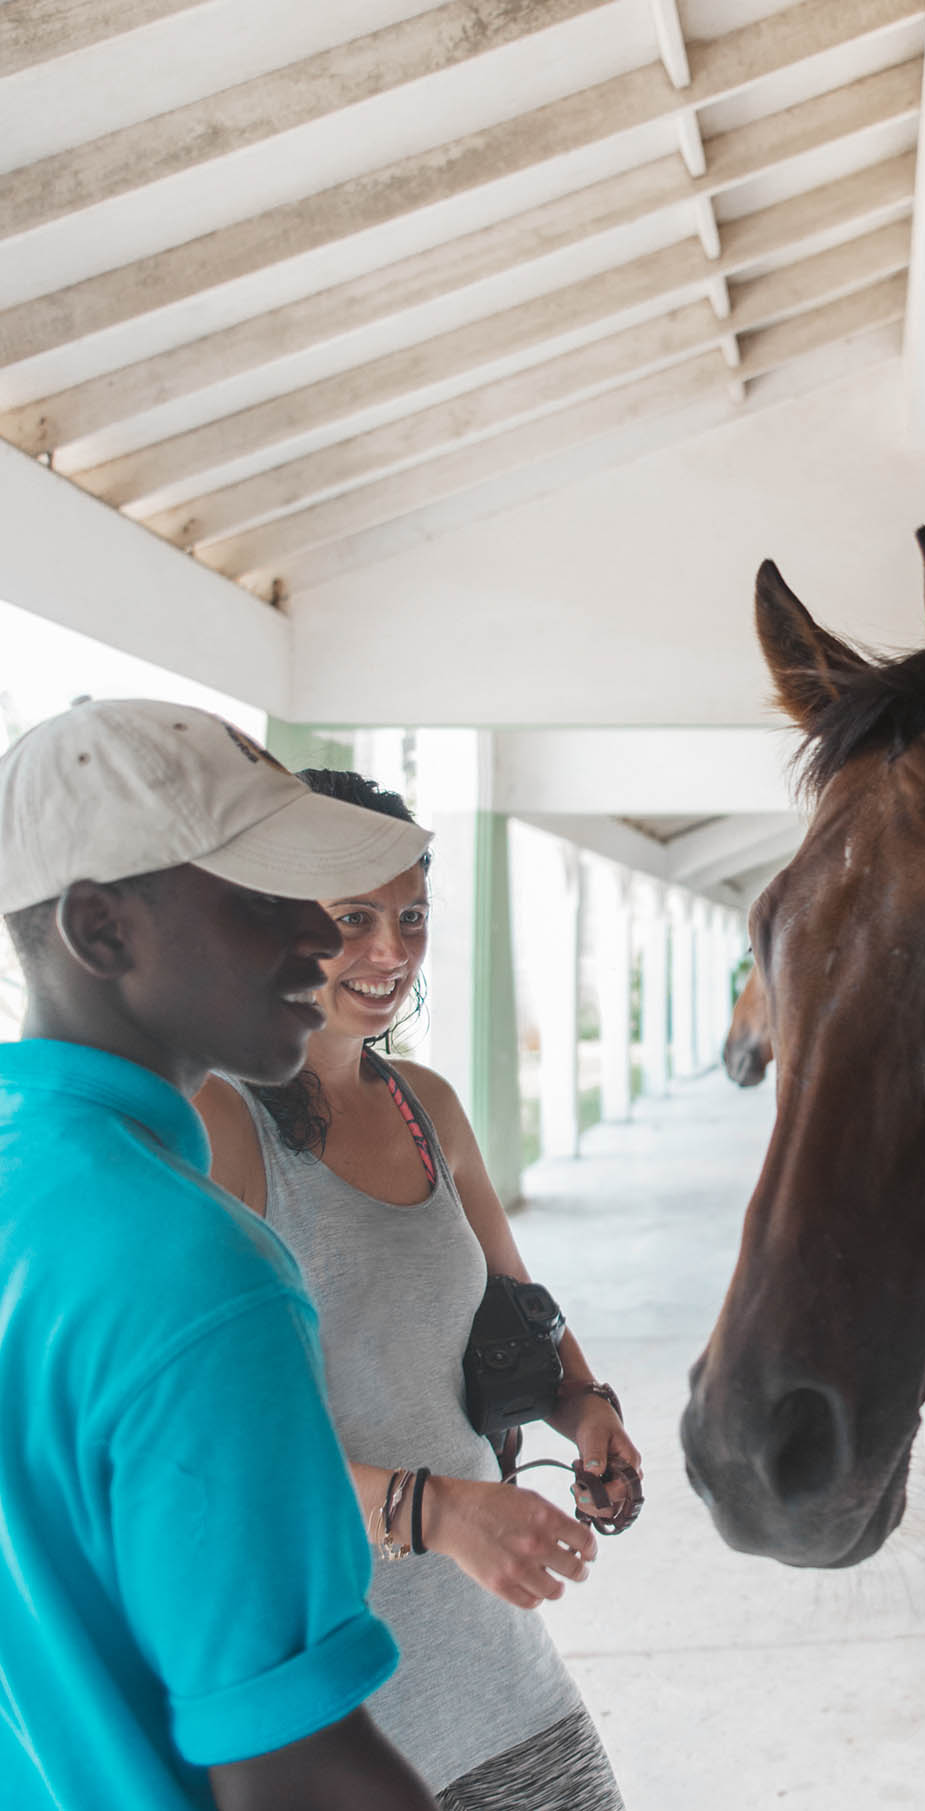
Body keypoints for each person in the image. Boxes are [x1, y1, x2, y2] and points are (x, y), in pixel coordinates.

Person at [0, 699, 442, 1811]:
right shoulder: (198, 1272)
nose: (320, 934)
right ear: (101, 931)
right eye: (260, 898)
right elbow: (295, 1774)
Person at [195, 769, 639, 1811]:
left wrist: (586, 1408)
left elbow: (519, 1309)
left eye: (411, 916)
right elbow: (219, 1447)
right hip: (337, 1710)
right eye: (353, 918)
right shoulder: (222, 1124)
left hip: (495, 1668)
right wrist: (428, 1510)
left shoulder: (423, 1105)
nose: (389, 950)